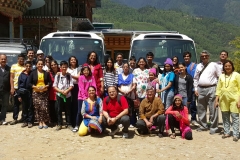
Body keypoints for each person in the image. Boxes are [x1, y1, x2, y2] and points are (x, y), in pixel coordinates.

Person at [193, 50, 221, 134]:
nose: (204, 57)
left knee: (213, 109)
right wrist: (195, 89)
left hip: (212, 88)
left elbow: (220, 77)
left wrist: (218, 90)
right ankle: (203, 125)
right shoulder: (198, 66)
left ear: (208, 57)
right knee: (201, 108)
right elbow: (195, 78)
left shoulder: (214, 65)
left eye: (206, 56)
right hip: (200, 89)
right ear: (200, 57)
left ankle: (214, 127)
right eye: (202, 56)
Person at [215, 60, 240, 142]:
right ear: (224, 67)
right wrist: (216, 100)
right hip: (223, 99)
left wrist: (239, 100)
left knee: (235, 117)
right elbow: (218, 89)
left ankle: (236, 134)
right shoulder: (221, 76)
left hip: (234, 99)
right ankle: (227, 132)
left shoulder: (237, 75)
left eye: (229, 65)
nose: (227, 67)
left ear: (232, 66)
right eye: (226, 66)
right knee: (225, 117)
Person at [27, 59, 51, 129]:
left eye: (41, 64)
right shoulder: (33, 73)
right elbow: (29, 83)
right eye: (39, 64)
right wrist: (35, 87)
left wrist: (46, 86)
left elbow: (50, 82)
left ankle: (44, 121)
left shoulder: (46, 73)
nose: (40, 65)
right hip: (36, 92)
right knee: (38, 107)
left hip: (44, 92)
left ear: (43, 65)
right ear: (36, 65)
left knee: (44, 107)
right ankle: (40, 121)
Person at [73, 64, 96, 132]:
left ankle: (90, 125)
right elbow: (81, 88)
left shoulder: (92, 77)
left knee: (90, 111)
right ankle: (77, 125)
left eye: (87, 70)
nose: (86, 72)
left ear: (89, 71)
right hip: (81, 97)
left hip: (90, 97)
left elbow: (94, 86)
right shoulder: (81, 77)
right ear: (82, 71)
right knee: (80, 111)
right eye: (84, 70)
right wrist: (84, 97)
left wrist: (94, 95)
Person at [53, 61, 74, 131]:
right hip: (59, 95)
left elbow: (71, 85)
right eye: (63, 67)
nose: (64, 68)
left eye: (65, 67)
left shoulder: (69, 75)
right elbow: (55, 86)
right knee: (59, 110)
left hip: (68, 95)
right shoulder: (57, 75)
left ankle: (69, 124)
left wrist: (67, 91)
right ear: (60, 67)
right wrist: (61, 91)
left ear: (67, 67)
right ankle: (59, 124)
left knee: (68, 110)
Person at [183, 51, 199, 126]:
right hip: (183, 88)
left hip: (191, 88)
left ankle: (193, 119)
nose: (186, 57)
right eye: (185, 56)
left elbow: (195, 76)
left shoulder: (194, 65)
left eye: (188, 56)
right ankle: (184, 119)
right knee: (184, 105)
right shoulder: (182, 65)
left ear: (190, 57)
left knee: (192, 104)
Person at [9, 53, 25, 125]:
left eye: (22, 59)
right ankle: (15, 118)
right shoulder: (13, 66)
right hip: (16, 88)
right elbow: (11, 77)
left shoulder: (25, 66)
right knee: (16, 104)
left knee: (24, 104)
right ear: (17, 59)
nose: (21, 60)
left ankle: (23, 118)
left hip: (24, 88)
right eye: (20, 59)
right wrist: (12, 88)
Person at [17, 61, 33, 128]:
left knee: (30, 107)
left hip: (31, 93)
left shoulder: (32, 73)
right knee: (24, 107)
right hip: (23, 94)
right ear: (25, 66)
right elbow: (19, 85)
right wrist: (19, 95)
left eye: (29, 66)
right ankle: (25, 121)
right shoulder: (22, 74)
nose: (28, 67)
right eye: (27, 66)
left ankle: (30, 121)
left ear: (31, 67)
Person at [67, 56, 80, 127]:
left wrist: (69, 75)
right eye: (71, 60)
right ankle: (70, 122)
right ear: (69, 61)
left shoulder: (79, 68)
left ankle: (76, 122)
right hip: (68, 87)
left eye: (74, 60)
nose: (73, 61)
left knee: (76, 104)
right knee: (69, 104)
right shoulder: (67, 68)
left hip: (76, 88)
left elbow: (78, 77)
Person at [0, 54, 11, 125]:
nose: (3, 60)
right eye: (2, 59)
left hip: (6, 90)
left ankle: (3, 119)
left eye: (4, 59)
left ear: (6, 60)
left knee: (5, 105)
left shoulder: (9, 69)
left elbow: (11, 79)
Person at [49, 60, 60, 125]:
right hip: (51, 92)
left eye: (54, 64)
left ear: (57, 65)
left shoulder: (61, 71)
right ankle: (53, 121)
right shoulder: (49, 73)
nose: (53, 66)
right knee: (52, 107)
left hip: (59, 91)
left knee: (58, 108)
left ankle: (59, 121)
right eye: (52, 65)